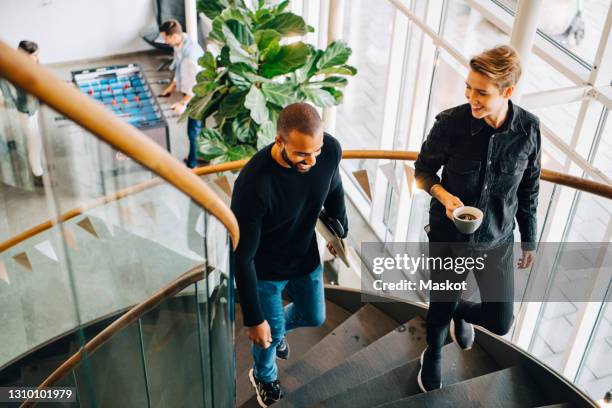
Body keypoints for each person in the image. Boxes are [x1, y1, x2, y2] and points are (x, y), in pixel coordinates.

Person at [414, 45, 541, 392]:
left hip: (497, 240)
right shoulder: (451, 123)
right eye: (469, 88)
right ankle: (433, 351)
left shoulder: (528, 130)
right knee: (439, 306)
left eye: (482, 92)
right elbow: (423, 170)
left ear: (508, 92)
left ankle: (460, 311)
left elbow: (529, 188)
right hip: (449, 236)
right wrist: (444, 197)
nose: (471, 97)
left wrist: (530, 239)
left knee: (500, 322)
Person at [231, 103, 348, 407]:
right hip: (266, 271)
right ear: (279, 140)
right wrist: (255, 320)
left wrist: (339, 230)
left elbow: (334, 187)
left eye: (316, 151)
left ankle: (277, 328)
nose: (311, 161)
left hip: (305, 257)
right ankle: (264, 376)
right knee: (266, 337)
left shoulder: (330, 151)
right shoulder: (254, 184)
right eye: (301, 154)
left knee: (314, 315)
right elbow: (241, 257)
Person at [158, 19, 204, 168]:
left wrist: (183, 103)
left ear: (175, 36)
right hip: (193, 88)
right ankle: (202, 154)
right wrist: (172, 86)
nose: (165, 42)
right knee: (198, 128)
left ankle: (192, 165)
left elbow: (194, 86)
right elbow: (178, 67)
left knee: (193, 130)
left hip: (199, 93)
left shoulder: (190, 57)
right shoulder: (180, 42)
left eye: (166, 38)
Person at [0, 40, 44, 187]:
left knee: (33, 141)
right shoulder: (17, 71)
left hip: (31, 110)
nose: (37, 58)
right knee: (34, 143)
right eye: (35, 55)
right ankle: (37, 174)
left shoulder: (28, 66)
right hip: (24, 112)